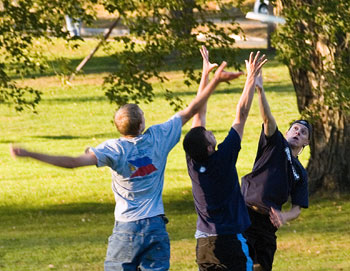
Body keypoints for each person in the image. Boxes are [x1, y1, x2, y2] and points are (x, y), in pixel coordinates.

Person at [10, 57, 233, 271]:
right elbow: (193, 109)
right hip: (156, 227)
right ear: (142, 123)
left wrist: (31, 153)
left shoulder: (113, 150)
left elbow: (72, 163)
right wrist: (213, 80)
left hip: (126, 229)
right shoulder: (158, 137)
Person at [183, 47, 267, 271]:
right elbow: (242, 113)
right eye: (209, 135)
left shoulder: (192, 160)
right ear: (210, 147)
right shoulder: (224, 157)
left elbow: (198, 114)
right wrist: (250, 79)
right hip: (230, 241)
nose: (210, 131)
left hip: (204, 244)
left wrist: (205, 75)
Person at [241, 70, 311, 271]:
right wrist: (260, 91)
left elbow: (298, 207)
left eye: (303, 132)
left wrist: (284, 216)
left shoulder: (301, 173)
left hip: (267, 225)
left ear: (306, 143)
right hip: (245, 213)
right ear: (287, 133)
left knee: (262, 267)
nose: (298, 132)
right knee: (238, 263)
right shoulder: (276, 144)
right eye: (295, 128)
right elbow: (267, 120)